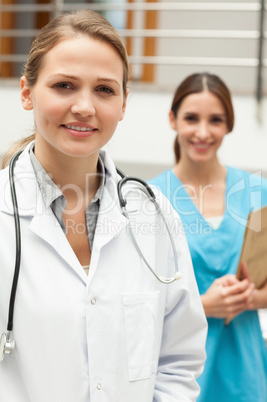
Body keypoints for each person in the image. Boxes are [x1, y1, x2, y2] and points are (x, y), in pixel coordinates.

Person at [0, 11, 207, 402]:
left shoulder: (155, 214)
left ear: (125, 103)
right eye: (64, 85)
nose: (84, 106)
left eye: (105, 90)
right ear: (26, 92)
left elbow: (179, 359)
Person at [149, 72, 267, 402]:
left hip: (245, 370)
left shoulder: (258, 193)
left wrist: (249, 299)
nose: (203, 132)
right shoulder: (148, 198)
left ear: (229, 124)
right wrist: (202, 306)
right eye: (191, 118)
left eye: (215, 120)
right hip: (177, 373)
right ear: (172, 119)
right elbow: (133, 300)